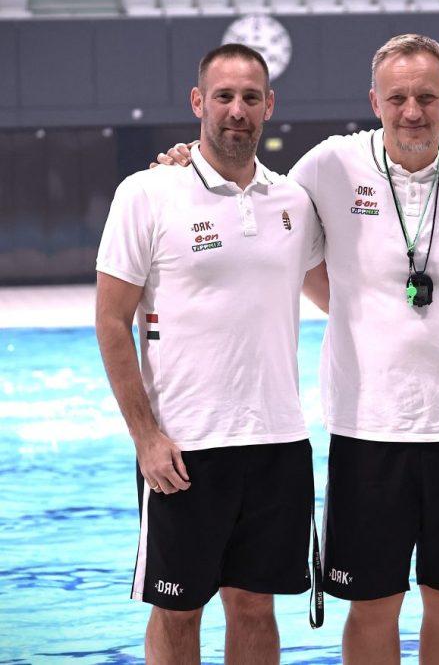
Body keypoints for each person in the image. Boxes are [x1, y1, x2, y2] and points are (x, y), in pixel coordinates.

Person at [156, 34, 439, 665]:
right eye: (397, 98)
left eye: (427, 97)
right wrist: (185, 163)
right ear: (374, 102)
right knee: (372, 603)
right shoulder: (329, 166)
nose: (412, 111)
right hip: (365, 428)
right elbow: (261, 210)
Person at [96, 44, 324, 664]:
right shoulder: (147, 193)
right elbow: (111, 321)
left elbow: (345, 291)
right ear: (198, 102)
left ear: (270, 106)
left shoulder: (293, 202)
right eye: (223, 96)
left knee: (255, 606)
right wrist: (146, 437)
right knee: (178, 610)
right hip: (185, 444)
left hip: (278, 441)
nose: (237, 110)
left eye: (250, 97)